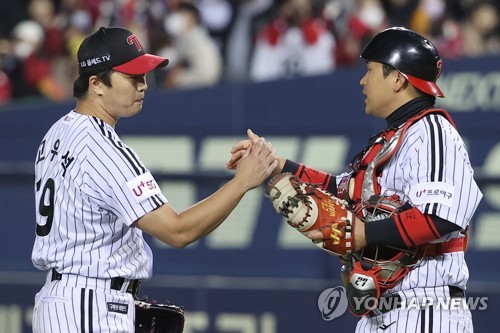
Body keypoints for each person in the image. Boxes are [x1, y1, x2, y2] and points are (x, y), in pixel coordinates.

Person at [228, 27, 482, 332]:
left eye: (371, 70)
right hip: (381, 313)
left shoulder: (432, 133)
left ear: (399, 79)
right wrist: (277, 164)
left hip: (427, 312)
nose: (363, 80)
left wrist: (362, 233)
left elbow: (439, 217)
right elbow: (345, 189)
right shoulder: (392, 139)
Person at [31, 26, 277, 332]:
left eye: (144, 75)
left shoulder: (58, 131)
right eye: (132, 76)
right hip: (88, 304)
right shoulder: (104, 150)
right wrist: (242, 182)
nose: (143, 85)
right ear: (96, 83)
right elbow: (177, 231)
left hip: (67, 300)